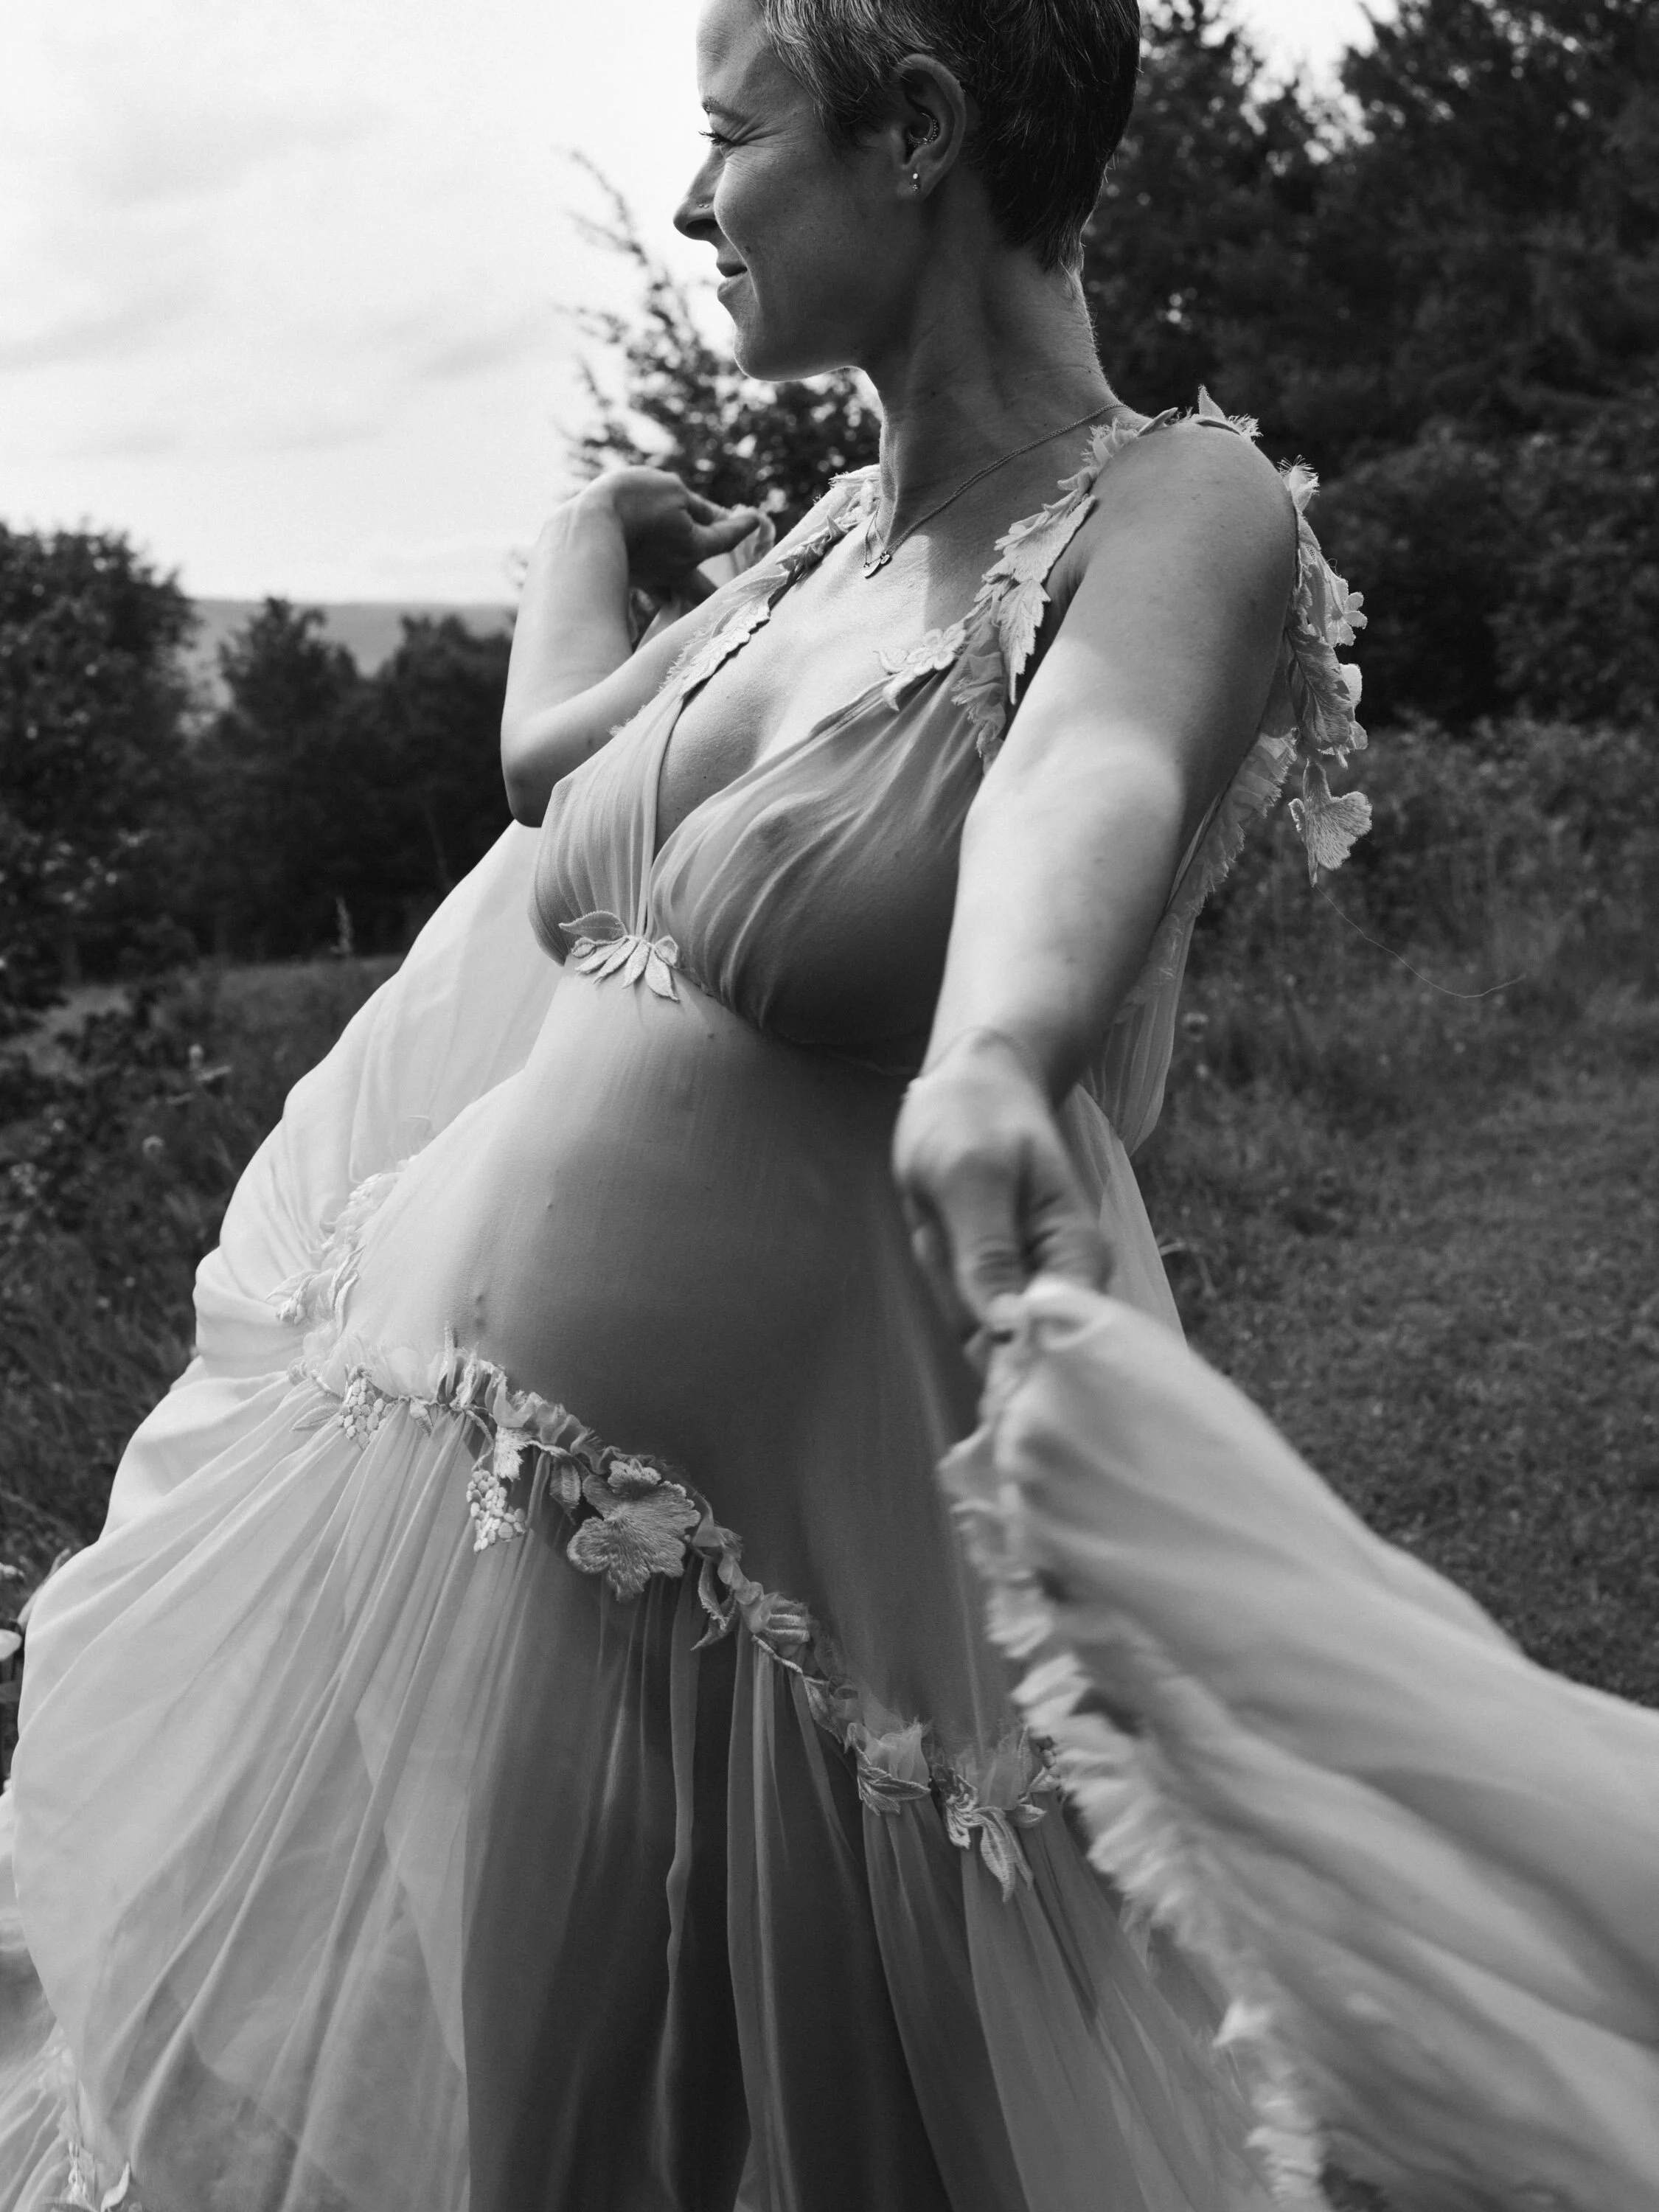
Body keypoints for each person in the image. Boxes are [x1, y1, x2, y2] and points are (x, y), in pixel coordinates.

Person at [0, 1, 1388, 2206]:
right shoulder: (825, 547)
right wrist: (585, 536)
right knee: (539, 2152)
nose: (683, 201)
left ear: (914, 129)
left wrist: (1003, 1043)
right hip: (505, 1515)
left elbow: (1094, 774)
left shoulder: (1172, 506)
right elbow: (555, 768)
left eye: (729, 135)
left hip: (813, 1601)